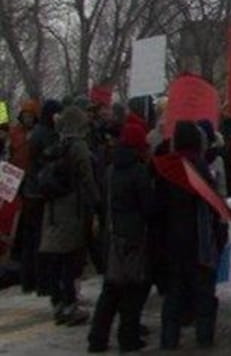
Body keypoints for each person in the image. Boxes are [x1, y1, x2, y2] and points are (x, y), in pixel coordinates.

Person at [156, 121, 224, 350]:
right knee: (203, 293)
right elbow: (213, 203)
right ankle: (204, 338)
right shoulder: (201, 167)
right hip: (199, 240)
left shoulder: (167, 168)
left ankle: (169, 338)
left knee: (174, 293)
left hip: (172, 240)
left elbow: (158, 207)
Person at [87, 119, 154, 352]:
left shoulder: (110, 170)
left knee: (111, 290)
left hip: (112, 236)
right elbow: (148, 208)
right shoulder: (138, 172)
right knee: (134, 290)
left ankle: (97, 337)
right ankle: (128, 337)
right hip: (134, 237)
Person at [39, 105, 101, 326]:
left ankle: (57, 304)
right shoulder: (78, 147)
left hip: (53, 210)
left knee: (55, 260)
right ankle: (70, 305)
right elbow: (87, 178)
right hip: (72, 209)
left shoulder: (55, 146)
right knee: (70, 260)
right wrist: (97, 204)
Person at [17, 99, 62, 294]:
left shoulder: (35, 132)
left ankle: (32, 279)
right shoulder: (20, 133)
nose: (27, 118)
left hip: (28, 187)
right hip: (32, 190)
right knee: (35, 238)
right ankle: (36, 280)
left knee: (32, 238)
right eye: (25, 115)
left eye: (30, 115)